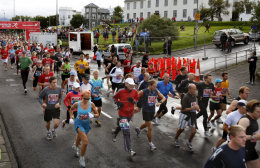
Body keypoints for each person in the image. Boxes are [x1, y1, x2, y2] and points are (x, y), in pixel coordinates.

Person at [69, 90, 99, 167]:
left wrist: (94, 115)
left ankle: (75, 146)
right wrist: (71, 117)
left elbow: (97, 114)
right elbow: (71, 109)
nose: (87, 100)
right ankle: (82, 158)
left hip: (87, 125)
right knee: (85, 142)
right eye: (85, 98)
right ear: (81, 97)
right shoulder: (77, 104)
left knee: (79, 138)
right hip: (79, 124)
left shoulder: (91, 104)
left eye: (88, 98)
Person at [136, 80, 166, 151]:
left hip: (152, 110)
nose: (155, 87)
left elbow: (164, 98)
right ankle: (150, 144)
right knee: (150, 127)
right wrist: (136, 105)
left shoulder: (156, 91)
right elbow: (135, 97)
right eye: (154, 86)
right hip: (146, 110)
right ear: (150, 85)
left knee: (146, 123)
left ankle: (138, 129)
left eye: (156, 86)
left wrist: (160, 103)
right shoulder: (143, 91)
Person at [112, 78, 139, 157]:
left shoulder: (135, 92)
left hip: (130, 114)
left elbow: (137, 100)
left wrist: (133, 101)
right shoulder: (121, 91)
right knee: (126, 131)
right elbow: (114, 97)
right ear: (126, 84)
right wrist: (118, 103)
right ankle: (129, 150)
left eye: (132, 85)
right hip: (122, 113)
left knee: (122, 127)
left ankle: (115, 132)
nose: (132, 86)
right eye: (130, 84)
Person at [174, 84, 200, 151]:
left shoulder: (194, 96)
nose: (195, 90)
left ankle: (189, 142)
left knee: (194, 131)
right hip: (185, 115)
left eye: (195, 89)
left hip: (192, 115)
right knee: (181, 129)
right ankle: (176, 138)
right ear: (189, 89)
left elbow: (195, 104)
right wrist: (193, 108)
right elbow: (183, 109)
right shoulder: (185, 97)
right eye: (194, 89)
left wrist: (197, 108)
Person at [238, 99, 260, 168]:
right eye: (258, 112)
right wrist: (254, 137)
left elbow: (252, 133)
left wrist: (255, 137)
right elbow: (239, 137)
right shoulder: (245, 120)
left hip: (250, 149)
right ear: (250, 111)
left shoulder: (254, 118)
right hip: (243, 150)